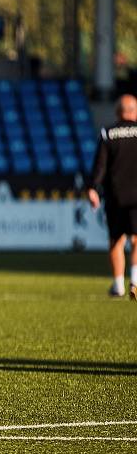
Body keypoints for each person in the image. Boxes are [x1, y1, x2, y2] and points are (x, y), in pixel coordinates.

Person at [86, 94, 137, 300]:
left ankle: (118, 285)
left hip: (115, 195)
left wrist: (93, 188)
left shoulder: (108, 133)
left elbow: (100, 165)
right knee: (136, 239)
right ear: (134, 111)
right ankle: (135, 281)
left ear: (118, 112)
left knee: (116, 240)